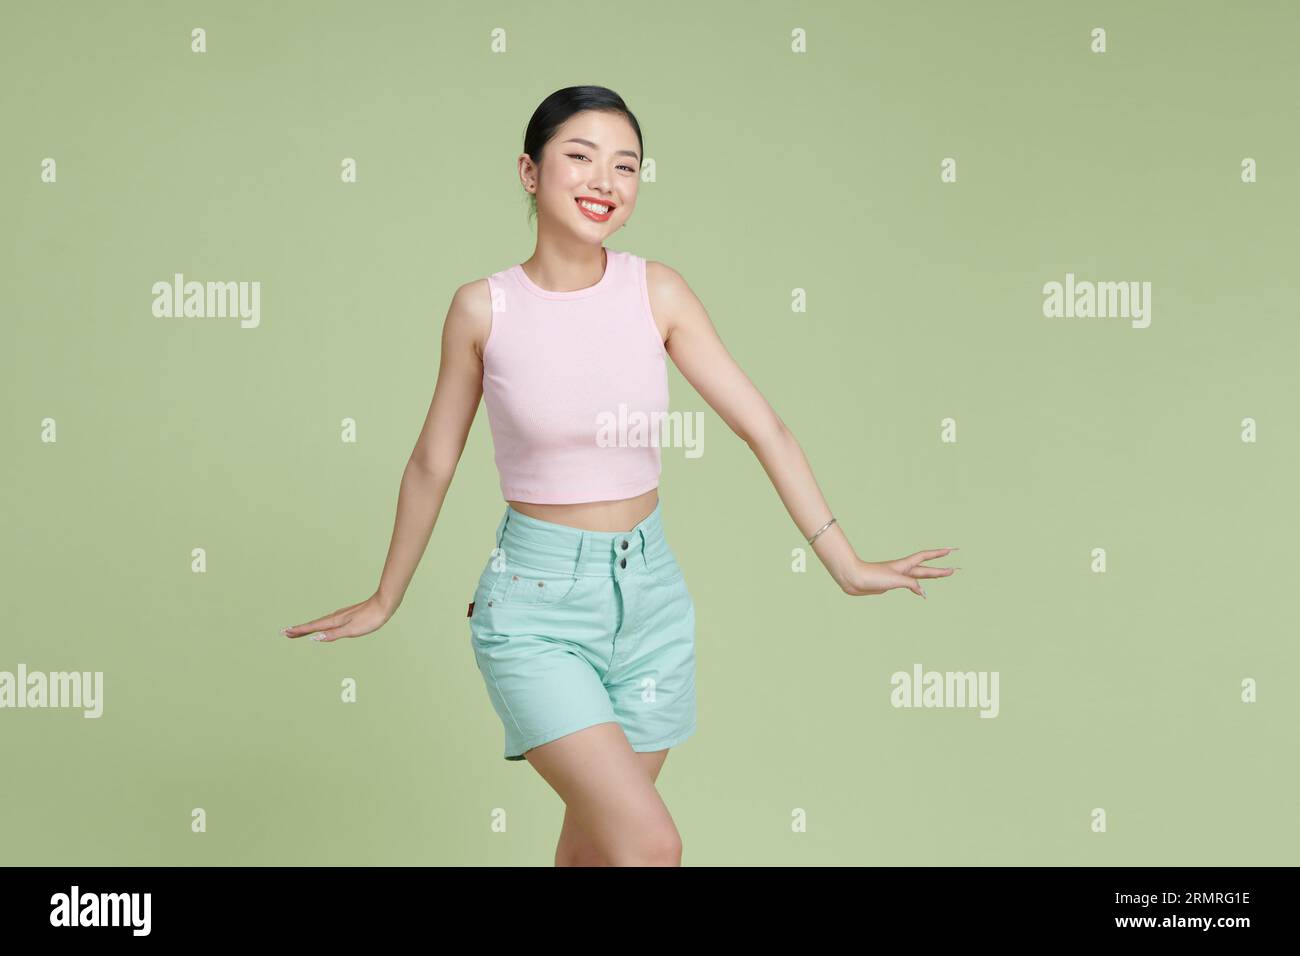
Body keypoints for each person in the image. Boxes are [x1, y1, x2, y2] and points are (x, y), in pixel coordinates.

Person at [282, 86, 958, 866]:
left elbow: (762, 425)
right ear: (530, 173)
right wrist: (385, 596)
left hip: (651, 606)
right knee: (649, 846)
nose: (605, 180)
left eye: (626, 165)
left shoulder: (656, 291)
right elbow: (435, 459)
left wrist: (843, 561)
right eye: (580, 157)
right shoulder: (484, 309)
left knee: (595, 857)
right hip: (534, 609)